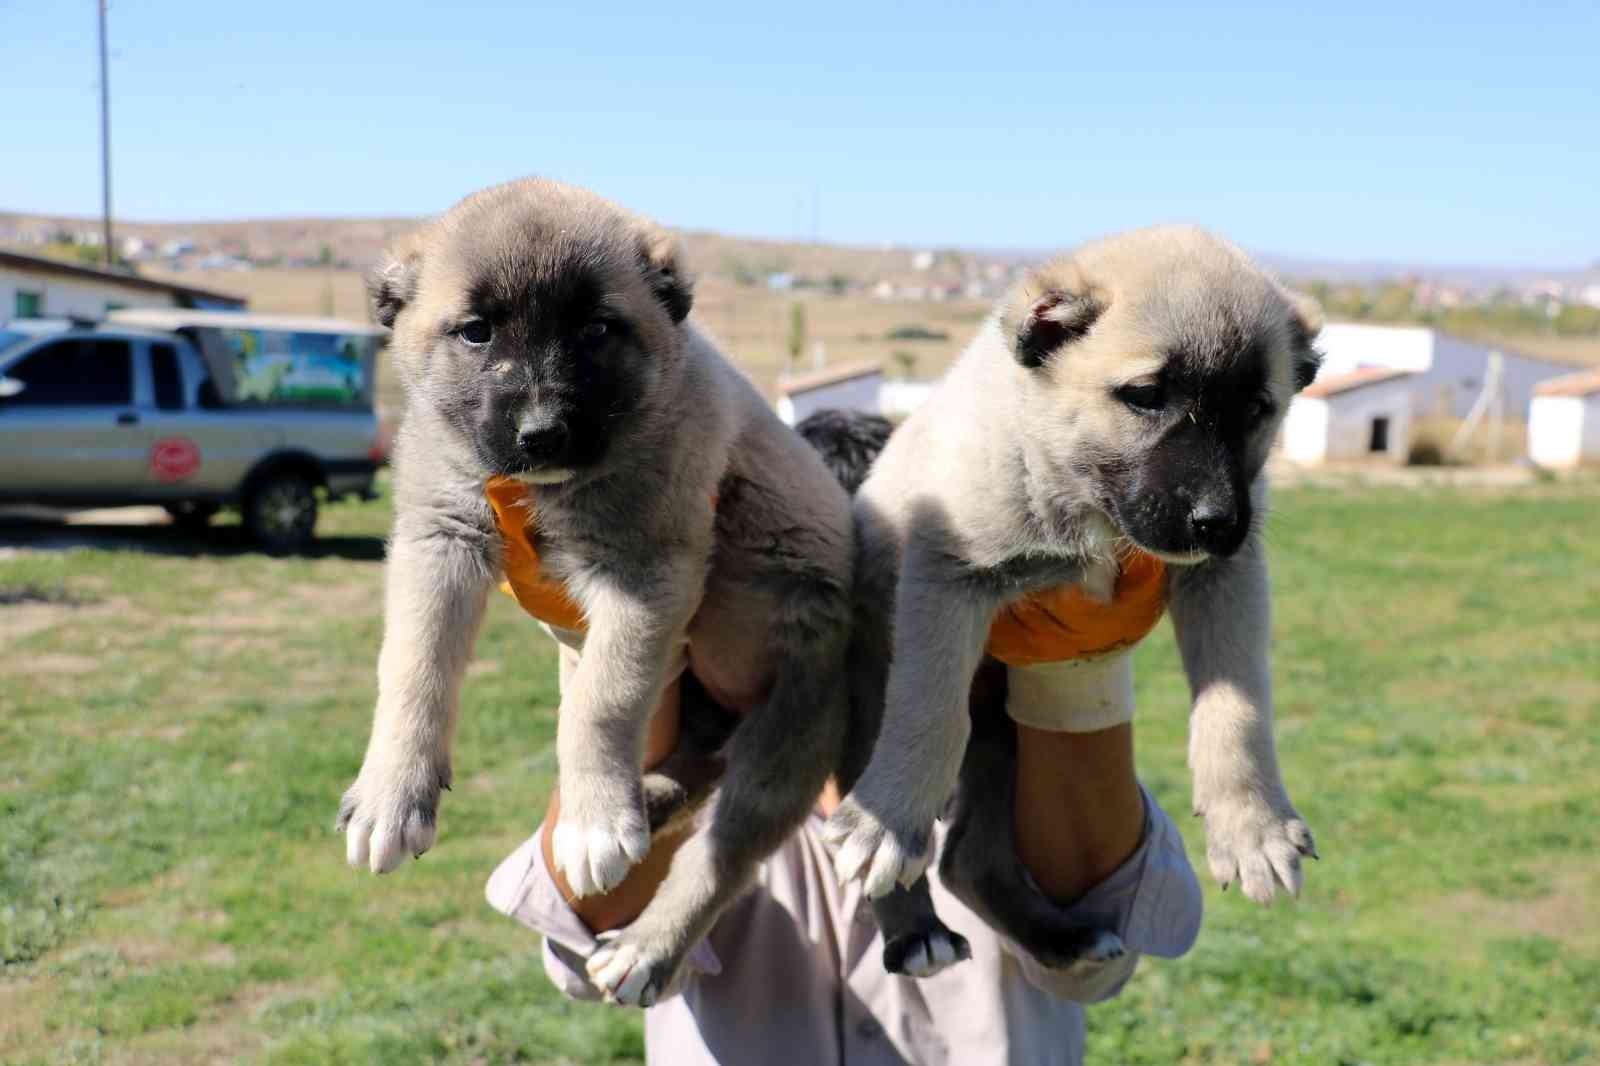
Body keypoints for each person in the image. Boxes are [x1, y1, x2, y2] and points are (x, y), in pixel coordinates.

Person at [487, 410, 1203, 1066]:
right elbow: (590, 934)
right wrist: (616, 638)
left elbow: (1096, 954)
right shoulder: (694, 748)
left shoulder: (1022, 771)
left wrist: (1075, 673)